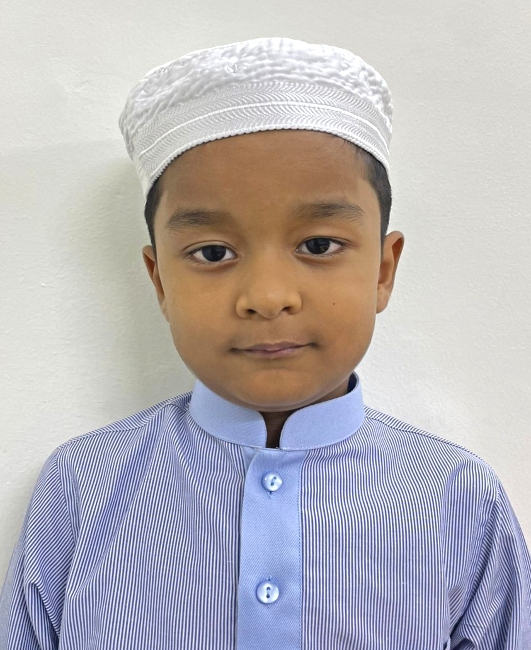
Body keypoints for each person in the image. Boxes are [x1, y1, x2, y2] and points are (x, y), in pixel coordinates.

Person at [1, 36, 530, 649]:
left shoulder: (458, 496)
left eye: (318, 245)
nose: (268, 296)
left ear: (383, 271)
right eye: (213, 252)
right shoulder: (83, 486)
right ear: (159, 281)